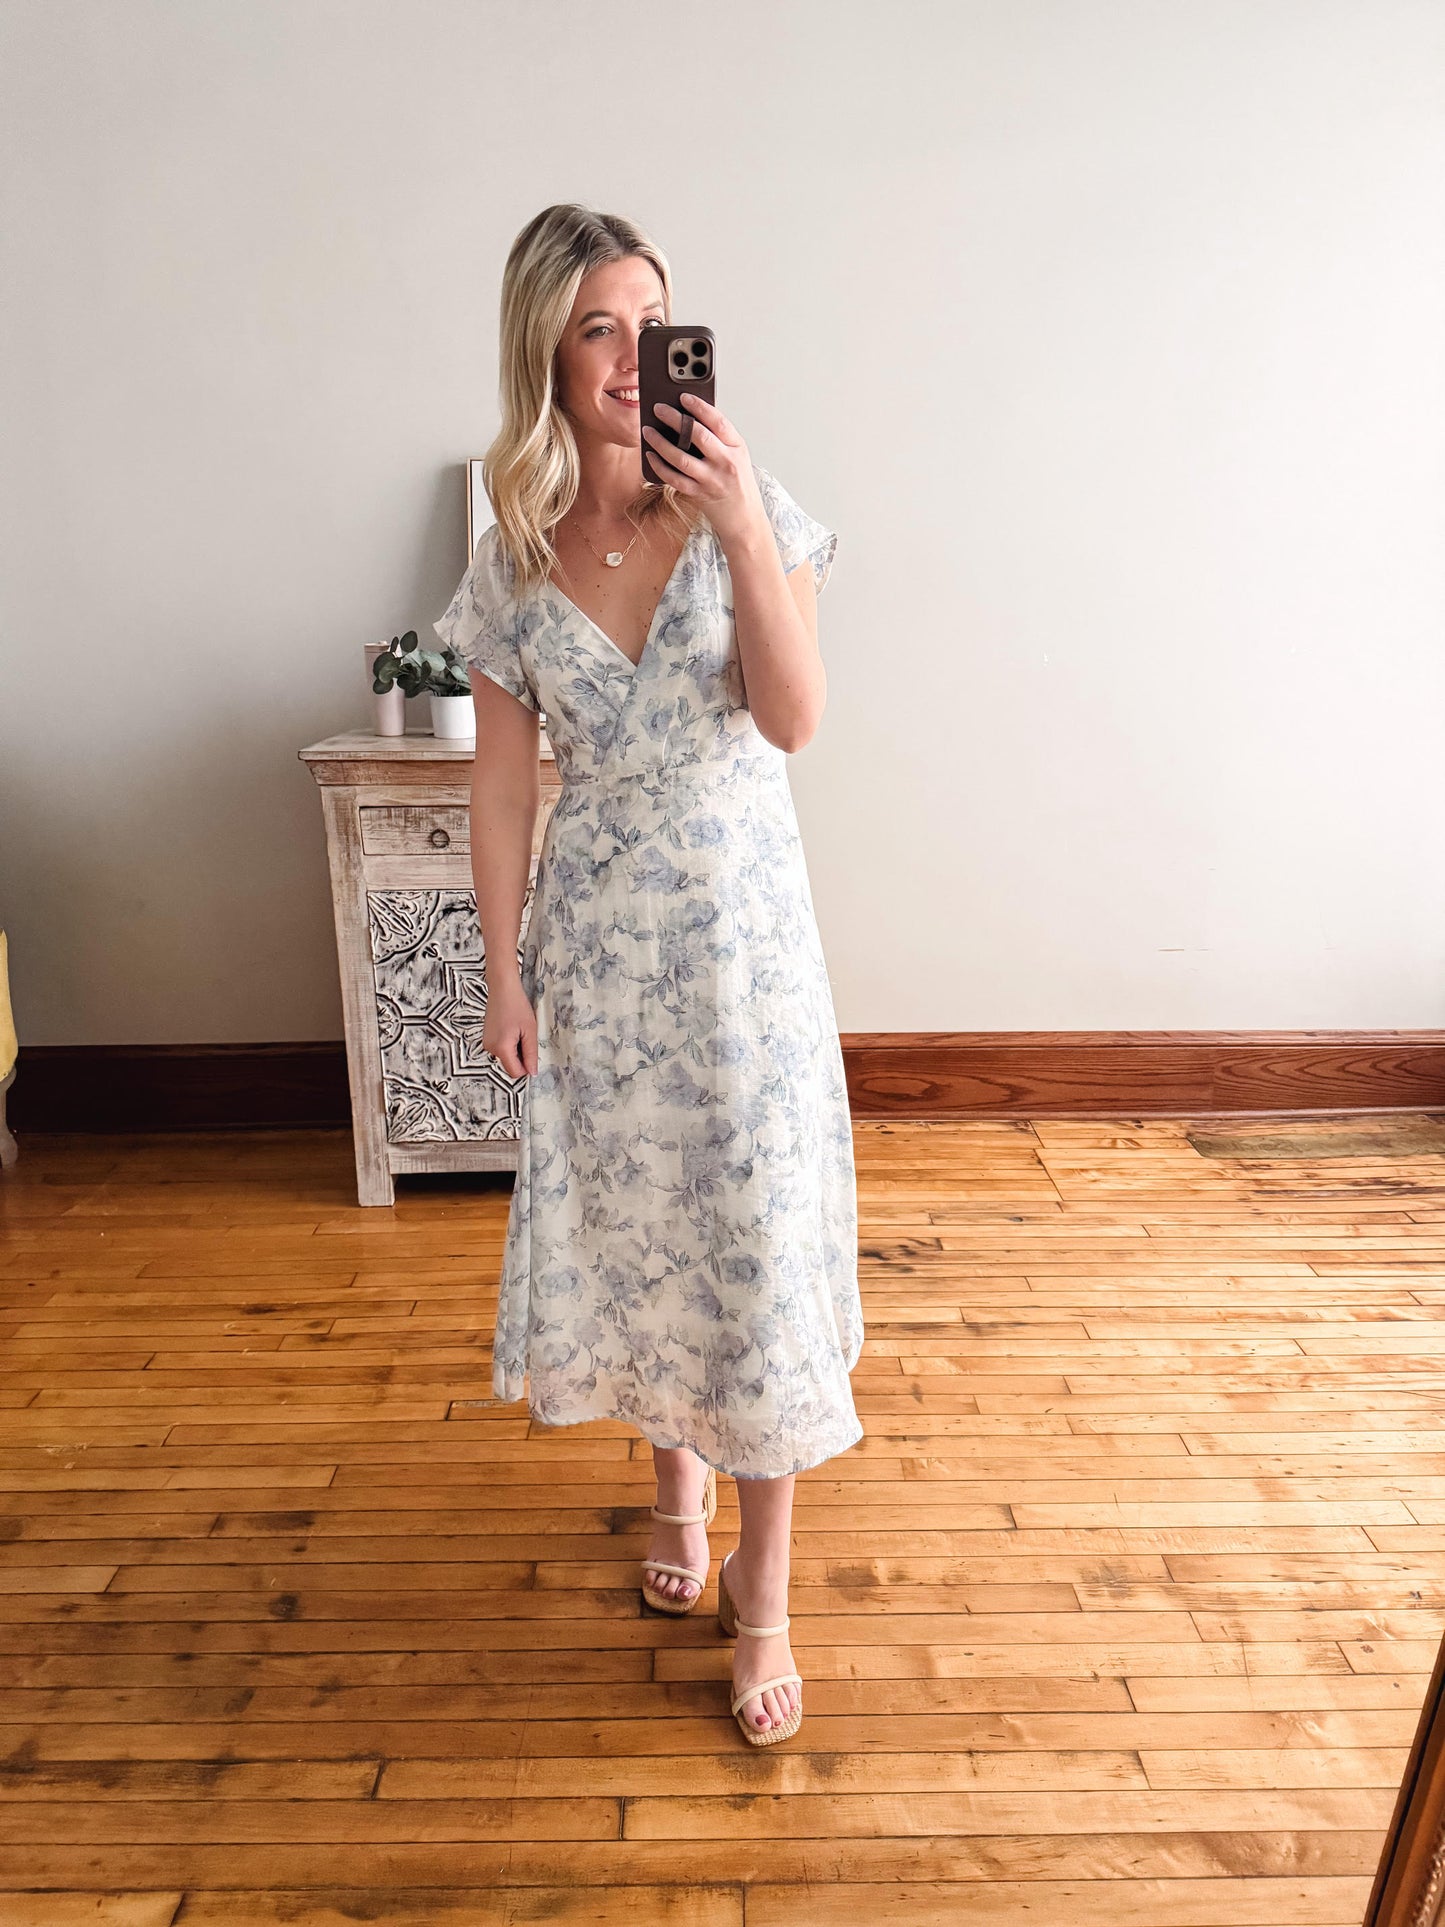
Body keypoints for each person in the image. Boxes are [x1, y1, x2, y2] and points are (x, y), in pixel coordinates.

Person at [433, 202, 864, 1746]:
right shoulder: (513, 560)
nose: (629, 357)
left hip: (740, 941)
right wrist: (501, 972)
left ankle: (764, 1599)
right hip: (599, 945)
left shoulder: (753, 507)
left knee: (743, 1244)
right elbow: (497, 790)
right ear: (546, 348)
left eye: (651, 323)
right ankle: (668, 1504)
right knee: (647, 1228)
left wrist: (742, 522)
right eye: (599, 328)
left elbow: (796, 721)